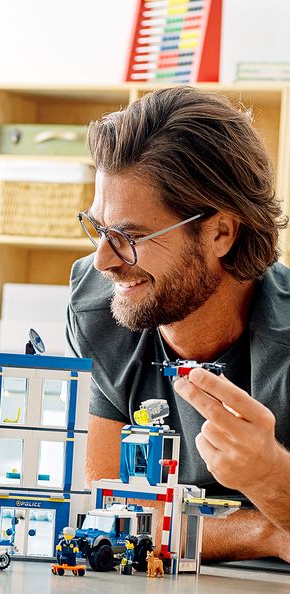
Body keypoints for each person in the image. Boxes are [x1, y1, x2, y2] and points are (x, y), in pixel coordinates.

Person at [66, 86, 290, 563]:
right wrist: (262, 532)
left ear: (220, 233)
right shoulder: (96, 310)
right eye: (100, 228)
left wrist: (270, 475)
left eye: (131, 236)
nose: (104, 260)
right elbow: (109, 519)